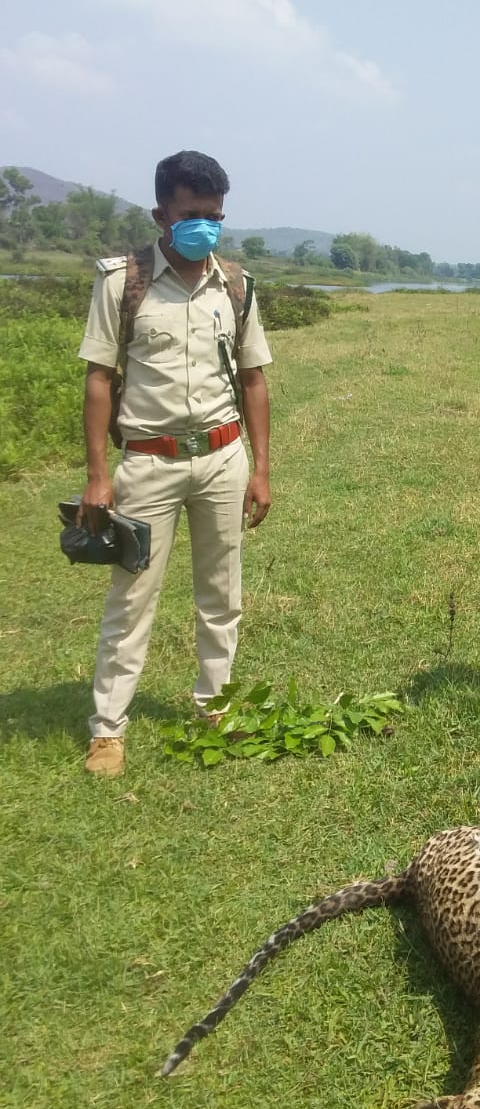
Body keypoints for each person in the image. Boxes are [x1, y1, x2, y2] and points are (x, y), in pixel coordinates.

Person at [77, 150, 272, 777]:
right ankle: (109, 730)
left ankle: (214, 704)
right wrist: (98, 475)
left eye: (215, 215)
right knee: (132, 600)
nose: (205, 227)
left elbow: (255, 380)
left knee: (223, 593)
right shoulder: (122, 282)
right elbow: (99, 380)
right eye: (192, 215)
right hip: (148, 465)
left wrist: (261, 468)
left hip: (222, 458)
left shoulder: (235, 286)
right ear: (162, 214)